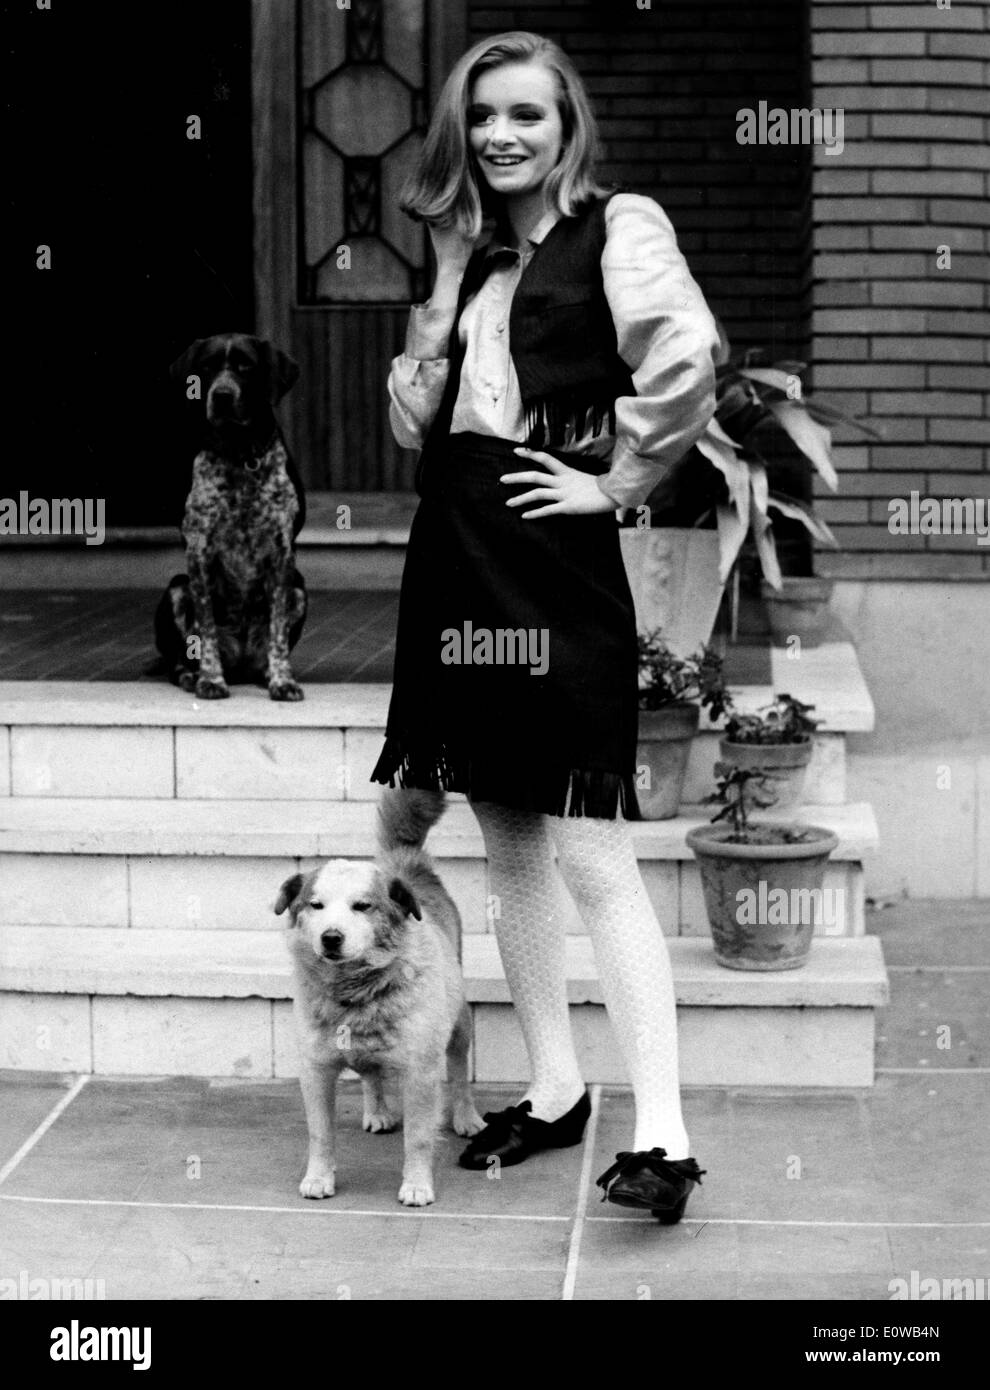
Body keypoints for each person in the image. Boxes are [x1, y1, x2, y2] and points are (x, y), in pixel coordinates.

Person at [371, 30, 718, 1223]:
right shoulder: (470, 250)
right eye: (483, 116)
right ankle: (556, 1089)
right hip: (458, 557)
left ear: (568, 122)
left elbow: (685, 354)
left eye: (527, 113)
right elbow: (418, 420)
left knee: (590, 850)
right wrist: (444, 269)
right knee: (512, 845)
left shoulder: (621, 226)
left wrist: (617, 484)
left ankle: (663, 1137)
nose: (503, 134)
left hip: (554, 560)